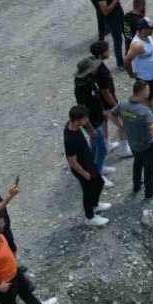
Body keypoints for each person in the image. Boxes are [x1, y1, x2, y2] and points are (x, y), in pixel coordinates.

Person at [113, 80, 153, 198]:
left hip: (133, 144)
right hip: (147, 145)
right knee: (149, 169)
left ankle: (136, 185)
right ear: (142, 91)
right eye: (147, 90)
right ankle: (149, 192)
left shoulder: (122, 104)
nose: (148, 93)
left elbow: (112, 114)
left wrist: (120, 125)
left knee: (137, 162)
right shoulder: (144, 111)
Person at [63, 105, 110, 226]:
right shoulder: (70, 140)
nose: (87, 120)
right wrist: (85, 174)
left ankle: (95, 205)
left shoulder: (73, 124)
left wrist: (91, 129)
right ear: (76, 121)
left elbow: (87, 123)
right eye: (84, 119)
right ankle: (89, 217)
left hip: (88, 161)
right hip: (82, 168)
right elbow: (72, 162)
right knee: (88, 192)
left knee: (99, 182)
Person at [74, 57, 114, 187]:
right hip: (91, 122)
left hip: (97, 117)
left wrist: (102, 111)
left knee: (95, 147)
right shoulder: (81, 88)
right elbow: (83, 110)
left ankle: (98, 167)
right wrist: (90, 128)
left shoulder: (90, 81)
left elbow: (96, 99)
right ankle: (97, 174)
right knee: (101, 148)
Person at [90, 40, 131, 157]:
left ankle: (106, 144)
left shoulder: (93, 65)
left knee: (104, 122)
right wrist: (115, 106)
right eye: (107, 50)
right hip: (107, 104)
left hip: (99, 103)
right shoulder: (102, 71)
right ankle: (124, 149)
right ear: (101, 53)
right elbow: (105, 92)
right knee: (123, 124)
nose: (109, 52)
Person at [124, 19, 153, 114]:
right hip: (144, 76)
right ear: (142, 30)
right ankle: (150, 117)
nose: (152, 30)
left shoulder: (147, 36)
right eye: (150, 28)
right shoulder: (137, 45)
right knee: (146, 97)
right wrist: (131, 73)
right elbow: (126, 60)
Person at [96, 0, 129, 68]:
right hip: (112, 19)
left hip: (120, 14)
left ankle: (129, 57)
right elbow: (105, 11)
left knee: (128, 35)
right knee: (118, 40)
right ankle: (120, 63)